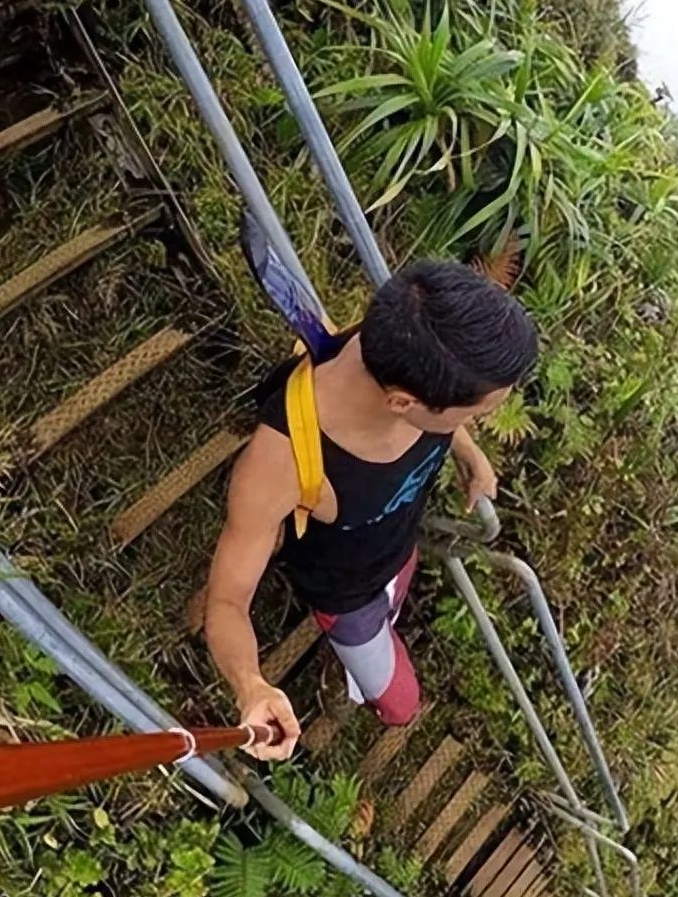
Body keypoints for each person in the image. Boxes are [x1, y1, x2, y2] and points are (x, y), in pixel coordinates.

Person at [204, 260, 538, 761]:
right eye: (475, 416)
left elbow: (445, 409)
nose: (474, 423)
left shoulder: (400, 340)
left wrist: (470, 454)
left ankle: (392, 614)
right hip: (348, 597)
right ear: (403, 402)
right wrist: (251, 686)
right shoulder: (284, 461)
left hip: (398, 549)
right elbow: (226, 602)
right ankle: (368, 693)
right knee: (403, 704)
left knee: (400, 586)